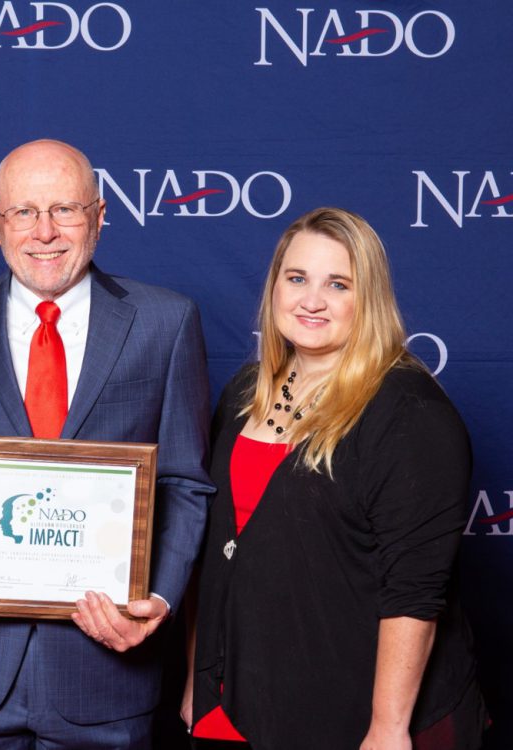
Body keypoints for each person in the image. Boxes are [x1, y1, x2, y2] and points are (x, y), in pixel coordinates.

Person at [0, 139, 214, 748]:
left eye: (65, 209)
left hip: (104, 671)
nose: (44, 232)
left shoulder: (165, 323)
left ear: (99, 214)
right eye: (23, 213)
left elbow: (186, 485)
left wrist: (160, 600)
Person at [181, 207, 488, 750]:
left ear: (367, 299)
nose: (311, 300)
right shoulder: (243, 393)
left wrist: (388, 729)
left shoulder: (409, 412)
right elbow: (220, 554)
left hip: (356, 714)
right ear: (275, 285)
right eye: (296, 278)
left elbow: (414, 593)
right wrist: (197, 681)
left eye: (338, 284)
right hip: (238, 699)